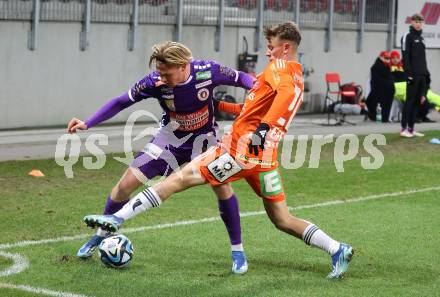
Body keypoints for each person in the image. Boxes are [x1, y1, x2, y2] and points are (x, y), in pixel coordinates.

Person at [83, 22, 354, 279]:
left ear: (285, 47)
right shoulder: (296, 73)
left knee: (175, 181)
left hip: (241, 150)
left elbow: (280, 99)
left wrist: (261, 130)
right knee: (282, 218)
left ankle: (117, 219)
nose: (267, 51)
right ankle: (336, 249)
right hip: (266, 157)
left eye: (270, 46)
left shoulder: (278, 67)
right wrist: (225, 107)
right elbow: (256, 107)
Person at [68, 41, 255, 274]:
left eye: (166, 73)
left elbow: (244, 79)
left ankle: (237, 251)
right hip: (169, 140)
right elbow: (120, 101)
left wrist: (258, 95)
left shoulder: (208, 71)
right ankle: (100, 236)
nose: (162, 77)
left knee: (223, 187)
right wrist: (89, 123)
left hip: (204, 141)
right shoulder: (153, 82)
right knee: (124, 185)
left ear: (183, 65)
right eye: (159, 72)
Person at [400, 13, 430, 138]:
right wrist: (409, 74)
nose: (418, 24)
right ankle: (403, 129)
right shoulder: (407, 36)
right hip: (413, 75)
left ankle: (411, 129)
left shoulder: (422, 38)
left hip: (422, 75)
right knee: (410, 101)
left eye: (420, 22)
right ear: (411, 22)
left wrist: (426, 75)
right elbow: (405, 57)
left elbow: (422, 59)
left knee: (418, 102)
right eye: (416, 21)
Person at [365, 51, 395, 122]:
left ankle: (385, 117)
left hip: (386, 89)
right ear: (381, 57)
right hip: (379, 90)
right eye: (386, 58)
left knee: (387, 102)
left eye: (388, 58)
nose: (387, 60)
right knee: (379, 103)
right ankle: (380, 117)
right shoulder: (376, 67)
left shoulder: (387, 66)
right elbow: (376, 80)